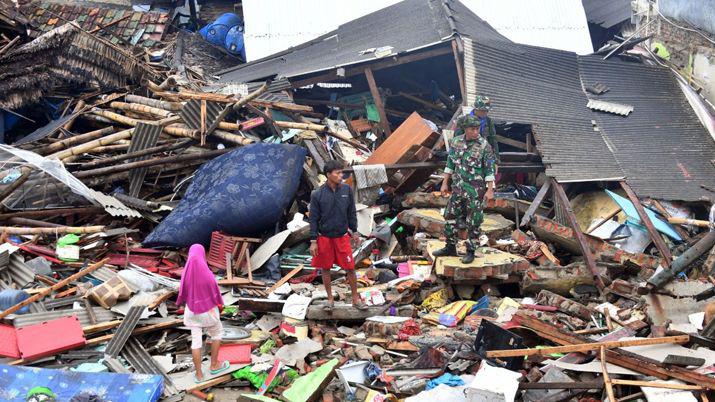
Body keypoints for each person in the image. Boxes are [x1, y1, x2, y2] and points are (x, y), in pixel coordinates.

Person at [434, 115, 496, 264]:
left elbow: (489, 170)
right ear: (465, 129)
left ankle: (470, 251)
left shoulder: (484, 146)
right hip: (458, 189)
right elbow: (450, 164)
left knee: (473, 222)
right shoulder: (456, 142)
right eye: (472, 129)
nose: (476, 132)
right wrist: (444, 183)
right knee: (450, 217)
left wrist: (490, 190)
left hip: (475, 191)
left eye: (477, 129)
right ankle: (450, 246)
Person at [309, 160, 368, 311]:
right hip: (325, 238)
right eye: (337, 173)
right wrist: (313, 241)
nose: (341, 175)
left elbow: (351, 213)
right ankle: (330, 300)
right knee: (325, 268)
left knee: (350, 268)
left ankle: (355, 299)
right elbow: (313, 219)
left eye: (341, 172)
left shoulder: (347, 190)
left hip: (342, 236)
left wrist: (354, 231)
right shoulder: (317, 194)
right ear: (328, 175)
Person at [176, 244, 231, 382]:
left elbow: (182, 292)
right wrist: (220, 305)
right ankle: (214, 365)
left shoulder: (186, 272)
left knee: (196, 342)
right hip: (208, 312)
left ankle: (199, 374)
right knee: (217, 334)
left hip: (191, 312)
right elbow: (215, 294)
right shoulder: (207, 273)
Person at [454, 95, 500, 164]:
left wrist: (496, 159)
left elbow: (493, 139)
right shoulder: (463, 120)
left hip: (483, 152)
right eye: (483, 110)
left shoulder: (488, 121)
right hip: (466, 153)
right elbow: (457, 139)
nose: (485, 113)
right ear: (475, 109)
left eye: (487, 111)